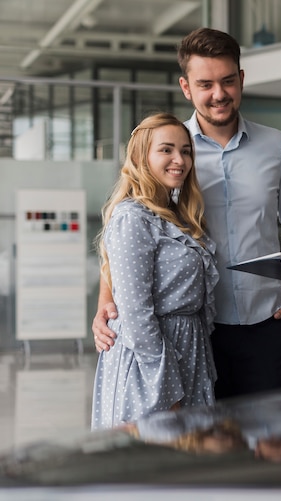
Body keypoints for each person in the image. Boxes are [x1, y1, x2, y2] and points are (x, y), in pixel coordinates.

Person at [92, 28, 281, 399]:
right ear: (186, 87)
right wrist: (106, 299)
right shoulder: (169, 149)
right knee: (208, 450)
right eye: (205, 84)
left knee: (271, 447)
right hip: (195, 333)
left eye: (228, 81)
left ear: (241, 79)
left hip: (267, 325)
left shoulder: (276, 145)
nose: (219, 94)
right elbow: (127, 225)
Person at [91, 112, 219, 430]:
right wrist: (164, 384)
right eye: (166, 149)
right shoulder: (132, 217)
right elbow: (135, 312)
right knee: (158, 466)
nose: (179, 159)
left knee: (189, 463)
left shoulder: (177, 216)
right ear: (141, 156)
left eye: (185, 150)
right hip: (151, 362)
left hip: (187, 350)